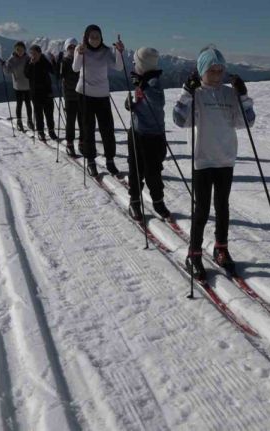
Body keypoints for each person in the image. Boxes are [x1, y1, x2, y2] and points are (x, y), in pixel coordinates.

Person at [173, 46, 256, 280]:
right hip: (202, 159)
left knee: (222, 207)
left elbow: (246, 122)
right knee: (201, 209)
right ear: (202, 70)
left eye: (220, 70)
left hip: (225, 158)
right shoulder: (197, 93)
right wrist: (186, 94)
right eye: (212, 70)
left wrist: (243, 96)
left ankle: (221, 248)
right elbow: (180, 120)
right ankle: (194, 253)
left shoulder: (229, 94)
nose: (217, 74)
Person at [124, 47, 172, 221]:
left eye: (136, 62)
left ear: (143, 65)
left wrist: (143, 86)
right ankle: (135, 201)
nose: (133, 65)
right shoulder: (143, 80)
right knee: (135, 169)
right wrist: (132, 105)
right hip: (137, 132)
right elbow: (141, 103)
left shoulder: (153, 82)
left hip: (152, 135)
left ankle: (158, 201)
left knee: (153, 172)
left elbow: (157, 102)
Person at [72, 24, 124, 177]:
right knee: (88, 129)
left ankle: (110, 160)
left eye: (97, 36)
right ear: (86, 37)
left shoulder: (106, 51)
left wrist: (119, 52)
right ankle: (91, 161)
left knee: (107, 129)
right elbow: (75, 68)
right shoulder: (80, 49)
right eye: (92, 36)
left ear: (101, 37)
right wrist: (79, 53)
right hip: (84, 94)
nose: (95, 39)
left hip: (102, 95)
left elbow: (119, 67)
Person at [24, 45, 57, 141]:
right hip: (35, 93)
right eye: (31, 53)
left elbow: (53, 71)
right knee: (38, 114)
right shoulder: (29, 62)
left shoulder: (44, 61)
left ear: (40, 53)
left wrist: (53, 61)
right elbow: (26, 74)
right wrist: (31, 64)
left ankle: (51, 131)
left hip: (47, 92)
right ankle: (40, 132)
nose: (33, 56)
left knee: (49, 113)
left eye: (35, 53)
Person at [0, 41, 34, 131]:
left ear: (24, 49)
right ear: (15, 50)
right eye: (18, 49)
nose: (20, 51)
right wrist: (4, 66)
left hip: (27, 85)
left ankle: (29, 121)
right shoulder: (11, 60)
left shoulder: (28, 58)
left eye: (21, 49)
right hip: (18, 86)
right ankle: (20, 122)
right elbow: (7, 72)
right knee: (20, 104)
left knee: (28, 104)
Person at [58, 38, 84, 156]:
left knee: (82, 120)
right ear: (66, 48)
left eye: (74, 47)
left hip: (81, 94)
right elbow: (60, 75)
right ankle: (70, 143)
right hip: (69, 95)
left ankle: (82, 142)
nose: (72, 49)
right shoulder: (65, 61)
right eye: (70, 47)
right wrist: (58, 63)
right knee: (71, 121)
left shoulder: (81, 59)